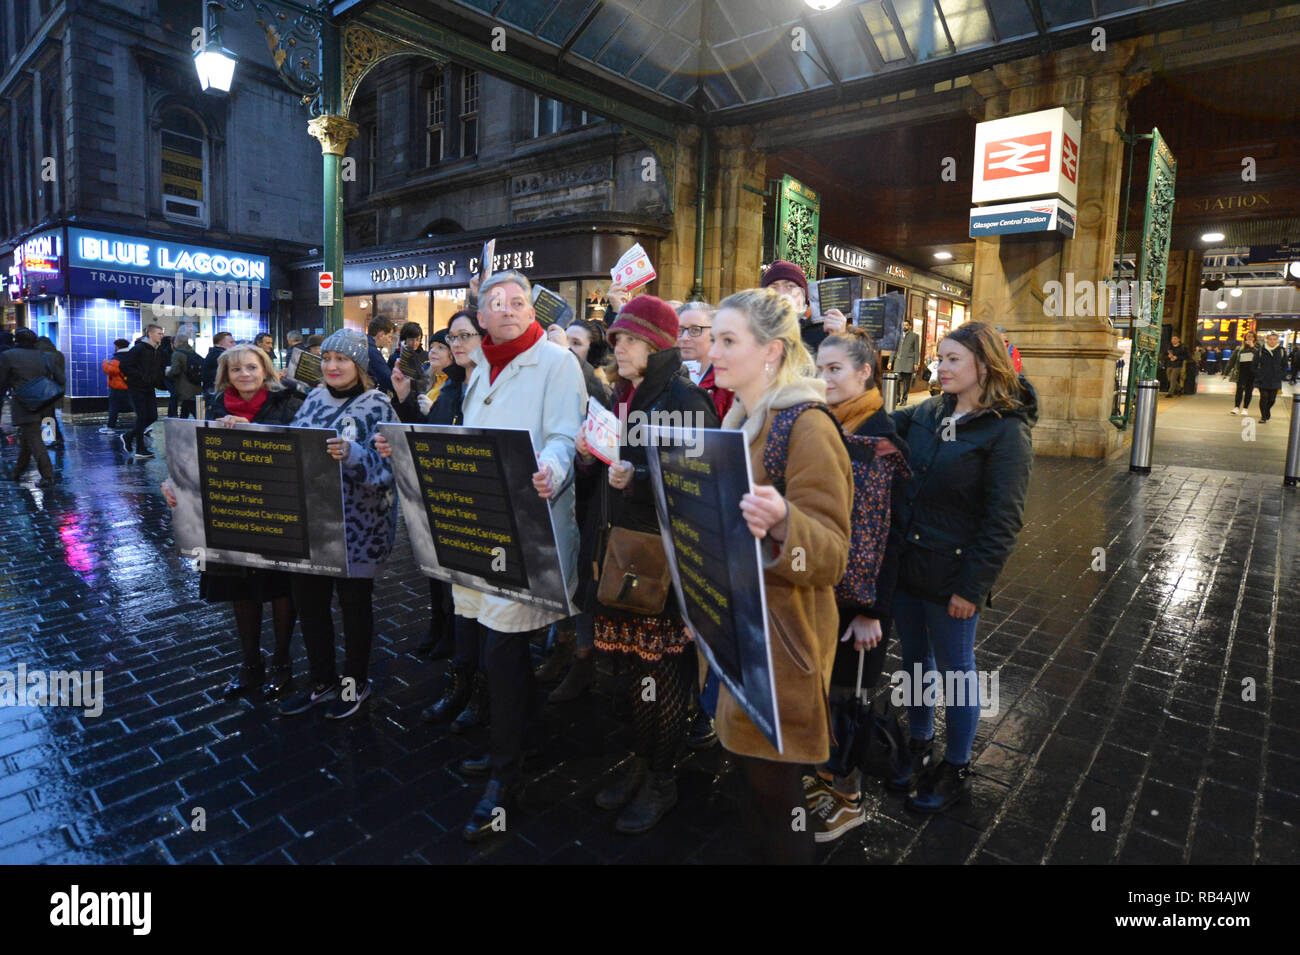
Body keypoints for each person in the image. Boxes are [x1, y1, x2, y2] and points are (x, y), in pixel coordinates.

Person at [708, 288, 853, 863]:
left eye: (726, 340)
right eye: (712, 337)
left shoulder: (807, 426)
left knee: (778, 798)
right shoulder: (743, 420)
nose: (710, 351)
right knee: (754, 788)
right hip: (745, 631)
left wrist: (786, 522)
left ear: (770, 351)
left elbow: (832, 554)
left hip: (783, 644)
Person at [446, 270, 586, 842]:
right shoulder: (479, 366)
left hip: (530, 528)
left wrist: (551, 470)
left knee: (503, 651)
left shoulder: (557, 363)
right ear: (481, 316)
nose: (506, 309)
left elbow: (564, 435)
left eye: (518, 301)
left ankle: (505, 778)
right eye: (494, 303)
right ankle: (518, 742)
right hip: (481, 528)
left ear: (533, 309)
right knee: (492, 643)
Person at [574, 295, 719, 834]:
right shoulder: (624, 397)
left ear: (656, 345)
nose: (619, 347)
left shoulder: (684, 400)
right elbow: (611, 471)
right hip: (621, 557)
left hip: (664, 567)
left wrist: (636, 479)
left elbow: (698, 488)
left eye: (629, 340)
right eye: (616, 340)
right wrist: (592, 461)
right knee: (635, 673)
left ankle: (663, 776)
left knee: (662, 672)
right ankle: (640, 760)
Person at [890, 322, 1036, 813]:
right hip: (910, 565)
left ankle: (955, 764)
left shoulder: (1006, 430)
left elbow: (1003, 521)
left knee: (956, 672)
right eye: (939, 357)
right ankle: (918, 742)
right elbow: (879, 424)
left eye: (953, 359)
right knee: (913, 661)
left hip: (953, 577)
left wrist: (972, 588)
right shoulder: (930, 411)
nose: (941, 367)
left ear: (984, 365)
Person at [807, 327, 911, 842]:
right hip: (828, 589)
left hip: (862, 601)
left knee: (851, 697)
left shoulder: (881, 434)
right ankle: (829, 775)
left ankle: (849, 797)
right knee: (828, 690)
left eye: (835, 370)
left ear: (865, 372)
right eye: (819, 370)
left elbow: (891, 537)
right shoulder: (829, 426)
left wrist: (873, 611)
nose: (824, 379)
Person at [161, 344, 305, 697]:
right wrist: (174, 479)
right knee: (242, 587)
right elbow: (197, 452)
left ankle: (283, 662)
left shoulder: (288, 402)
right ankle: (250, 663)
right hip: (232, 509)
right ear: (226, 374)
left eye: (252, 368)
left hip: (278, 509)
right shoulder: (216, 404)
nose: (245, 375)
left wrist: (252, 430)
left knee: (281, 587)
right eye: (237, 369)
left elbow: (302, 449)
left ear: (265, 370)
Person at [277, 328, 398, 720]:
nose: (332, 366)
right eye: (327, 359)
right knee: (309, 605)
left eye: (342, 359)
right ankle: (322, 681)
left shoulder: (377, 404)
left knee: (353, 607)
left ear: (359, 365)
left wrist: (353, 453)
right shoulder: (313, 397)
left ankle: (354, 684)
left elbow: (393, 466)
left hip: (358, 528)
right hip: (313, 522)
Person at [380, 311, 490, 721]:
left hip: (477, 506)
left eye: (465, 336)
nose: (457, 344)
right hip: (444, 497)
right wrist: (405, 397)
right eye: (451, 338)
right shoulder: (454, 388)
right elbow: (428, 433)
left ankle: (480, 688)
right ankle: (461, 676)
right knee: (451, 587)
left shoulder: (486, 386)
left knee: (479, 602)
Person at [0, 329, 65, 487]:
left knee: (35, 439)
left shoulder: (8, 356)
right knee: (28, 438)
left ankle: (48, 476)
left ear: (17, 340)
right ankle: (17, 472)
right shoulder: (46, 356)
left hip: (24, 403)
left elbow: (2, 381)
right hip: (44, 402)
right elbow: (61, 378)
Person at [676, 301, 734, 421]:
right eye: (680, 330)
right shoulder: (666, 377)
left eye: (695, 330)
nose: (684, 338)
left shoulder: (727, 383)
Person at [118, 325, 167, 459]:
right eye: (159, 333)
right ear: (150, 334)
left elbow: (157, 370)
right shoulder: (139, 348)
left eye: (162, 333)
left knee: (152, 416)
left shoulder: (157, 350)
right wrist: (141, 376)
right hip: (137, 387)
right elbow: (124, 365)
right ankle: (140, 448)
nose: (161, 336)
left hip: (149, 387)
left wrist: (160, 382)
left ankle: (128, 436)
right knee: (142, 417)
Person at [760, 259, 825, 353]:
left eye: (790, 286)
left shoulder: (822, 331)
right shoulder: (754, 331)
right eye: (773, 287)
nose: (781, 294)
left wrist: (838, 338)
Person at [564, 318, 612, 408]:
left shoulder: (601, 387)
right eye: (565, 340)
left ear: (592, 352)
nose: (567, 347)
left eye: (576, 343)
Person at [35, 337, 67, 448]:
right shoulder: (59, 354)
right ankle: (56, 438)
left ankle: (49, 439)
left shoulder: (41, 356)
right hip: (55, 389)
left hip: (42, 389)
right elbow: (61, 374)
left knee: (46, 416)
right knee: (50, 414)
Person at [165, 328, 202, 419]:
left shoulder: (177, 354)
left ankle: (205, 429)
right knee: (186, 409)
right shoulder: (193, 352)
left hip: (184, 387)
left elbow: (175, 371)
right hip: (195, 386)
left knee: (193, 411)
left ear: (177, 342)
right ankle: (181, 427)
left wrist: (168, 372)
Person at [100, 339, 134, 433]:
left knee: (113, 408)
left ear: (117, 347)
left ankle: (110, 427)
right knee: (136, 407)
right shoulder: (132, 356)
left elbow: (111, 371)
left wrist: (105, 363)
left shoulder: (118, 358)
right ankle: (145, 426)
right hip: (130, 386)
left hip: (117, 386)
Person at [1255, 332, 1287, 424]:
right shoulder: (1261, 351)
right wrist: (1259, 374)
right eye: (1270, 339)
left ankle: (1267, 410)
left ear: (1277, 340)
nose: (1272, 341)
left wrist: (1282, 375)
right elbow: (1254, 365)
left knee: (1272, 399)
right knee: (1264, 397)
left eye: (1274, 339)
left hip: (1275, 379)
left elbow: (1284, 365)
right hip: (1263, 379)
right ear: (1267, 340)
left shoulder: (1281, 351)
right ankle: (1263, 416)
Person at [1225, 330, 1259, 414]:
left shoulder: (1258, 348)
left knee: (1249, 390)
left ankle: (1245, 408)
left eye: (1251, 336)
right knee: (1239, 389)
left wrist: (1252, 347)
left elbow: (1259, 357)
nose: (1249, 338)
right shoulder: (1239, 348)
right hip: (1241, 372)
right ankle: (1236, 407)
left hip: (1252, 373)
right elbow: (1232, 361)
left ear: (1254, 338)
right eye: (1248, 336)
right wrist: (1225, 372)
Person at [891, 325, 922, 406]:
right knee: (897, 380)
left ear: (910, 326)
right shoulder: (898, 335)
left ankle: (904, 399)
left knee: (906, 383)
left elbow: (916, 351)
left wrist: (916, 363)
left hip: (909, 362)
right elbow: (894, 349)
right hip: (898, 362)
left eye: (906, 325)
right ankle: (897, 397)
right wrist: (890, 361)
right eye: (903, 325)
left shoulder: (914, 336)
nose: (904, 326)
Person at [366, 316, 397, 395]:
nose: (390, 341)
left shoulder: (364, 345)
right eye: (389, 336)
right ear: (381, 335)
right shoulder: (372, 351)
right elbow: (387, 378)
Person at [203, 331, 234, 405]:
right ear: (220, 343)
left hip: (213, 393)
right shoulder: (221, 356)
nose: (234, 344)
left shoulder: (213, 354)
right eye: (231, 342)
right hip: (217, 395)